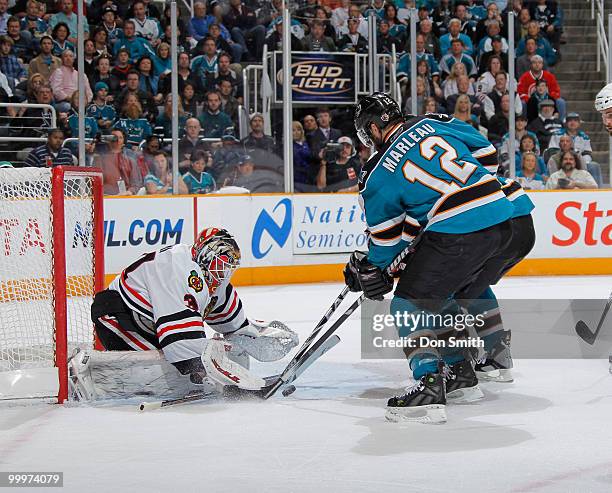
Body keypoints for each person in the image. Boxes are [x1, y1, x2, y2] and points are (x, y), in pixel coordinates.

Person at [346, 92, 535, 423]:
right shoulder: (436, 122)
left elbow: (388, 240)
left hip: (461, 228)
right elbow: (487, 157)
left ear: (374, 129)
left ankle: (429, 385)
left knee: (408, 303)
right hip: (502, 216)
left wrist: (372, 268)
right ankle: (461, 374)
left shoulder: (376, 173)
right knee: (445, 292)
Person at [84, 228, 298, 399]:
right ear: (205, 257)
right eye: (219, 265)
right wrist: (211, 369)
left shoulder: (214, 280)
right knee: (161, 367)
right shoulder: (178, 269)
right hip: (118, 317)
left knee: (217, 353)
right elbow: (182, 347)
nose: (223, 274)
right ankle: (87, 374)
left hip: (149, 323)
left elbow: (234, 325)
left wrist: (259, 337)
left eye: (228, 268)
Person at [95, 128, 144, 195]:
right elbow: (96, 182)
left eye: (120, 137)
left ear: (123, 141)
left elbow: (136, 183)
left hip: (125, 197)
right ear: (108, 139)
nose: (117, 140)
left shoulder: (130, 160)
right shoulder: (100, 160)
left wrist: (129, 192)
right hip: (106, 198)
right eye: (114, 137)